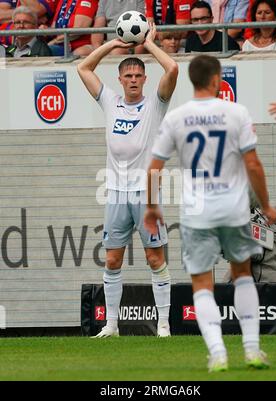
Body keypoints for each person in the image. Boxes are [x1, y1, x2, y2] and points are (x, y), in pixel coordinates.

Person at [144, 54, 276, 372]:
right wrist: (267, 204)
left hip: (197, 213)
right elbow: (253, 164)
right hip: (233, 209)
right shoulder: (236, 112)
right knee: (243, 275)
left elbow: (153, 169)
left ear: (192, 80)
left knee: (202, 285)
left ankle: (218, 353)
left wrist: (151, 207)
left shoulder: (176, 118)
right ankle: (251, 350)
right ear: (217, 79)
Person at [77, 24, 178, 338]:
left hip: (146, 194)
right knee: (112, 258)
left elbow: (173, 67)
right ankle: (111, 326)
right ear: (119, 80)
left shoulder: (155, 105)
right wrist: (113, 43)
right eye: (128, 76)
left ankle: (163, 324)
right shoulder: (110, 101)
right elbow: (83, 67)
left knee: (154, 257)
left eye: (138, 76)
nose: (133, 80)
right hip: (116, 192)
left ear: (144, 80)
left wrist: (148, 44)